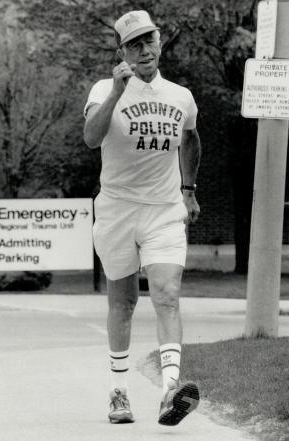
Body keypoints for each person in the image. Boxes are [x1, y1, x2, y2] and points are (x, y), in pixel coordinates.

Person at [84, 10, 201, 426]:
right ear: (122, 52)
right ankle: (118, 392)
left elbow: (190, 138)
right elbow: (91, 138)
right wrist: (117, 92)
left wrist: (188, 190)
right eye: (134, 44)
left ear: (159, 43)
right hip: (117, 210)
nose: (144, 49)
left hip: (163, 210)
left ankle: (172, 389)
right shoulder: (103, 88)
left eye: (149, 40)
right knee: (125, 302)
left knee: (167, 293)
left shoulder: (181, 96)